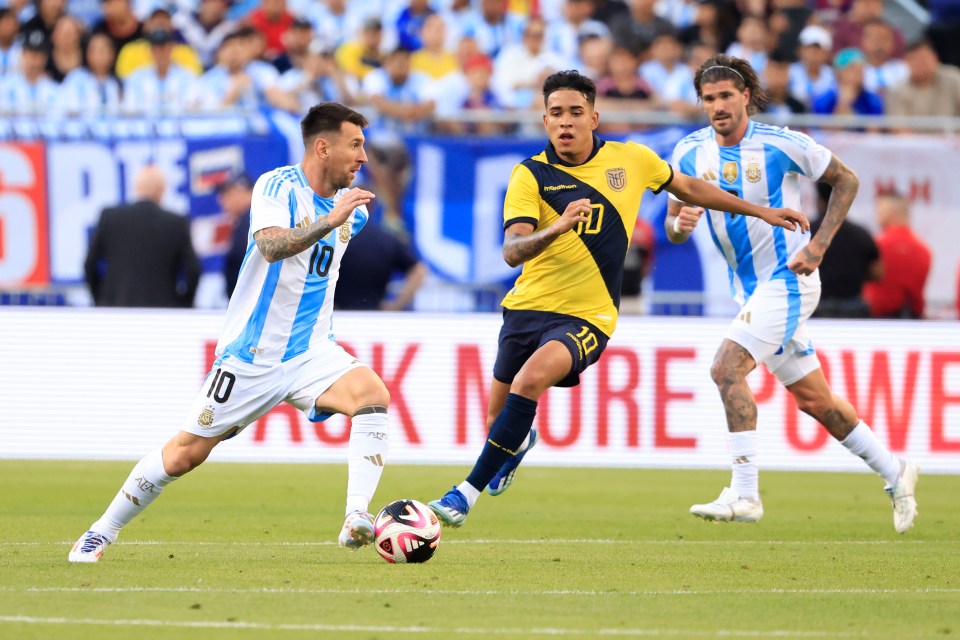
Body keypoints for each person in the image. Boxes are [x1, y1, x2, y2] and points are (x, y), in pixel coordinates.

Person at [427, 69, 811, 529]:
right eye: (555, 114)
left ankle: (462, 496)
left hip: (588, 317)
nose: (565, 122)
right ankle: (519, 439)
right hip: (526, 309)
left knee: (529, 382)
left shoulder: (631, 160)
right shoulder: (529, 174)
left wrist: (762, 210)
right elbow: (512, 251)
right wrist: (559, 226)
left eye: (574, 113)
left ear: (594, 116)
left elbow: (689, 187)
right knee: (498, 420)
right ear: (544, 121)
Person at [69, 103, 392, 563]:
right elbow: (271, 245)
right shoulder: (277, 186)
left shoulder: (352, 212)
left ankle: (356, 517)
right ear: (323, 147)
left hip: (313, 351)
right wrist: (329, 219)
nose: (363, 157)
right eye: (355, 145)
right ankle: (100, 531)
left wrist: (339, 217)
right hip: (252, 356)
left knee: (372, 395)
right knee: (183, 455)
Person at [666, 54, 918, 533]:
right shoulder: (688, 152)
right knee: (815, 400)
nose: (718, 106)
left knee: (725, 368)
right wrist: (680, 225)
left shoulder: (781, 144)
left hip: (789, 280)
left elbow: (847, 179)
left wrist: (818, 246)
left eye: (725, 96)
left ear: (746, 97)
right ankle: (895, 470)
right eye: (709, 98)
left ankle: (744, 493)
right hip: (749, 291)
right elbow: (675, 224)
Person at [84, 165, 201, 308]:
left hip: (115, 309)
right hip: (162, 312)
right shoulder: (176, 223)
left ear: (136, 187)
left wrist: (102, 299)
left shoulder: (110, 218)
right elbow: (193, 270)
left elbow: (90, 264)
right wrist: (182, 304)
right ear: (162, 190)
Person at [811, 182, 881, 318]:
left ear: (819, 200)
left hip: (817, 307)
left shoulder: (806, 232)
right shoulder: (860, 234)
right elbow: (877, 273)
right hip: (854, 309)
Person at [334, 213, 427, 311]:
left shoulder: (334, 240)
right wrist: (396, 305)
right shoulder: (385, 238)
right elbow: (419, 270)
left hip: (337, 314)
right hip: (376, 316)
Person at [863, 192, 932, 319]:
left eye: (879, 208)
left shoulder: (877, 245)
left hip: (876, 318)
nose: (876, 214)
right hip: (913, 318)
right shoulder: (924, 249)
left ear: (890, 211)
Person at [217, 172, 254, 299]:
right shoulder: (244, 221)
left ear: (244, 192)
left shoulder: (251, 220)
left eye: (228, 194)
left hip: (250, 303)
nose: (222, 200)